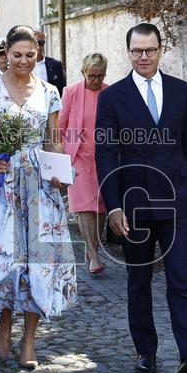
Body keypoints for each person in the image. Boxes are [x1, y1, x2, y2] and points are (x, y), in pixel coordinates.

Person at [95, 22, 187, 373]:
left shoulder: (182, 92)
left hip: (177, 204)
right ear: (128, 53)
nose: (143, 57)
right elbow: (105, 155)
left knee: (181, 281)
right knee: (139, 280)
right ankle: (145, 351)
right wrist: (113, 206)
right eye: (137, 51)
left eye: (149, 50)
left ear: (161, 50)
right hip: (134, 206)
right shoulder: (112, 97)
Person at [0, 25, 77, 370]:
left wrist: (62, 175)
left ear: (37, 54)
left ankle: (29, 340)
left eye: (31, 54)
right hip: (0, 185)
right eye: (17, 55)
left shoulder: (50, 91)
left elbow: (53, 139)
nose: (24, 61)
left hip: (40, 186)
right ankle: (4, 322)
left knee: (36, 260)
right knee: (6, 257)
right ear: (5, 54)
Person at [59, 53, 109, 274]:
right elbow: (60, 124)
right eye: (91, 76)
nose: (95, 80)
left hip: (103, 158)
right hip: (78, 156)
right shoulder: (71, 92)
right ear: (83, 73)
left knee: (100, 207)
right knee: (83, 207)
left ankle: (93, 249)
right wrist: (59, 155)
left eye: (99, 76)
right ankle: (94, 254)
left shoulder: (110, 93)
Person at [32, 29, 67, 95]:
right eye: (35, 43)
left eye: (41, 43)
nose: (38, 47)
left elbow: (62, 90)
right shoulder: (22, 65)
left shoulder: (56, 65)